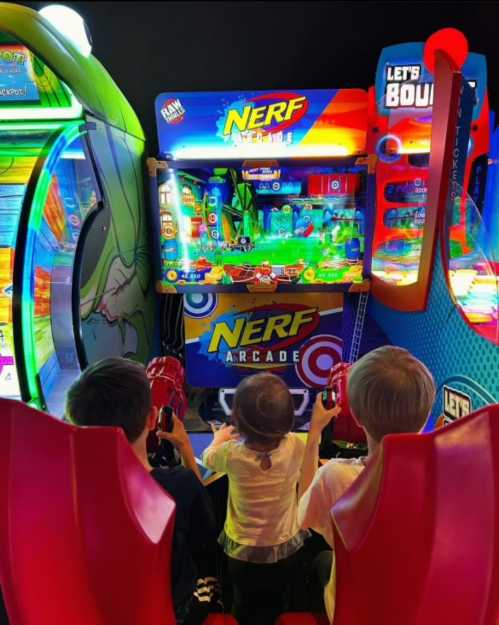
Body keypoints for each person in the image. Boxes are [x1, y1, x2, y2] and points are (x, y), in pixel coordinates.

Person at [66, 357, 218, 625]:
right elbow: (206, 535)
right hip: (174, 608)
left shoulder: (67, 492)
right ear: (152, 418)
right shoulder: (179, 484)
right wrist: (185, 448)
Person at [298, 346, 436, 623]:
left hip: (356, 610)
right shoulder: (446, 480)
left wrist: (314, 434)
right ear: (426, 416)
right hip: (422, 604)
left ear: (357, 418)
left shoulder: (335, 476)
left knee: (320, 561)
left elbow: (303, 517)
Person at [201, 372, 337, 625]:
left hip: (241, 550)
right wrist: (316, 427)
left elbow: (208, 457)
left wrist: (217, 439)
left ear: (238, 423)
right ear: (288, 421)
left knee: (241, 602)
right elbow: (307, 482)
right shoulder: (296, 446)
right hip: (284, 546)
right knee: (281, 602)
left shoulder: (231, 454)